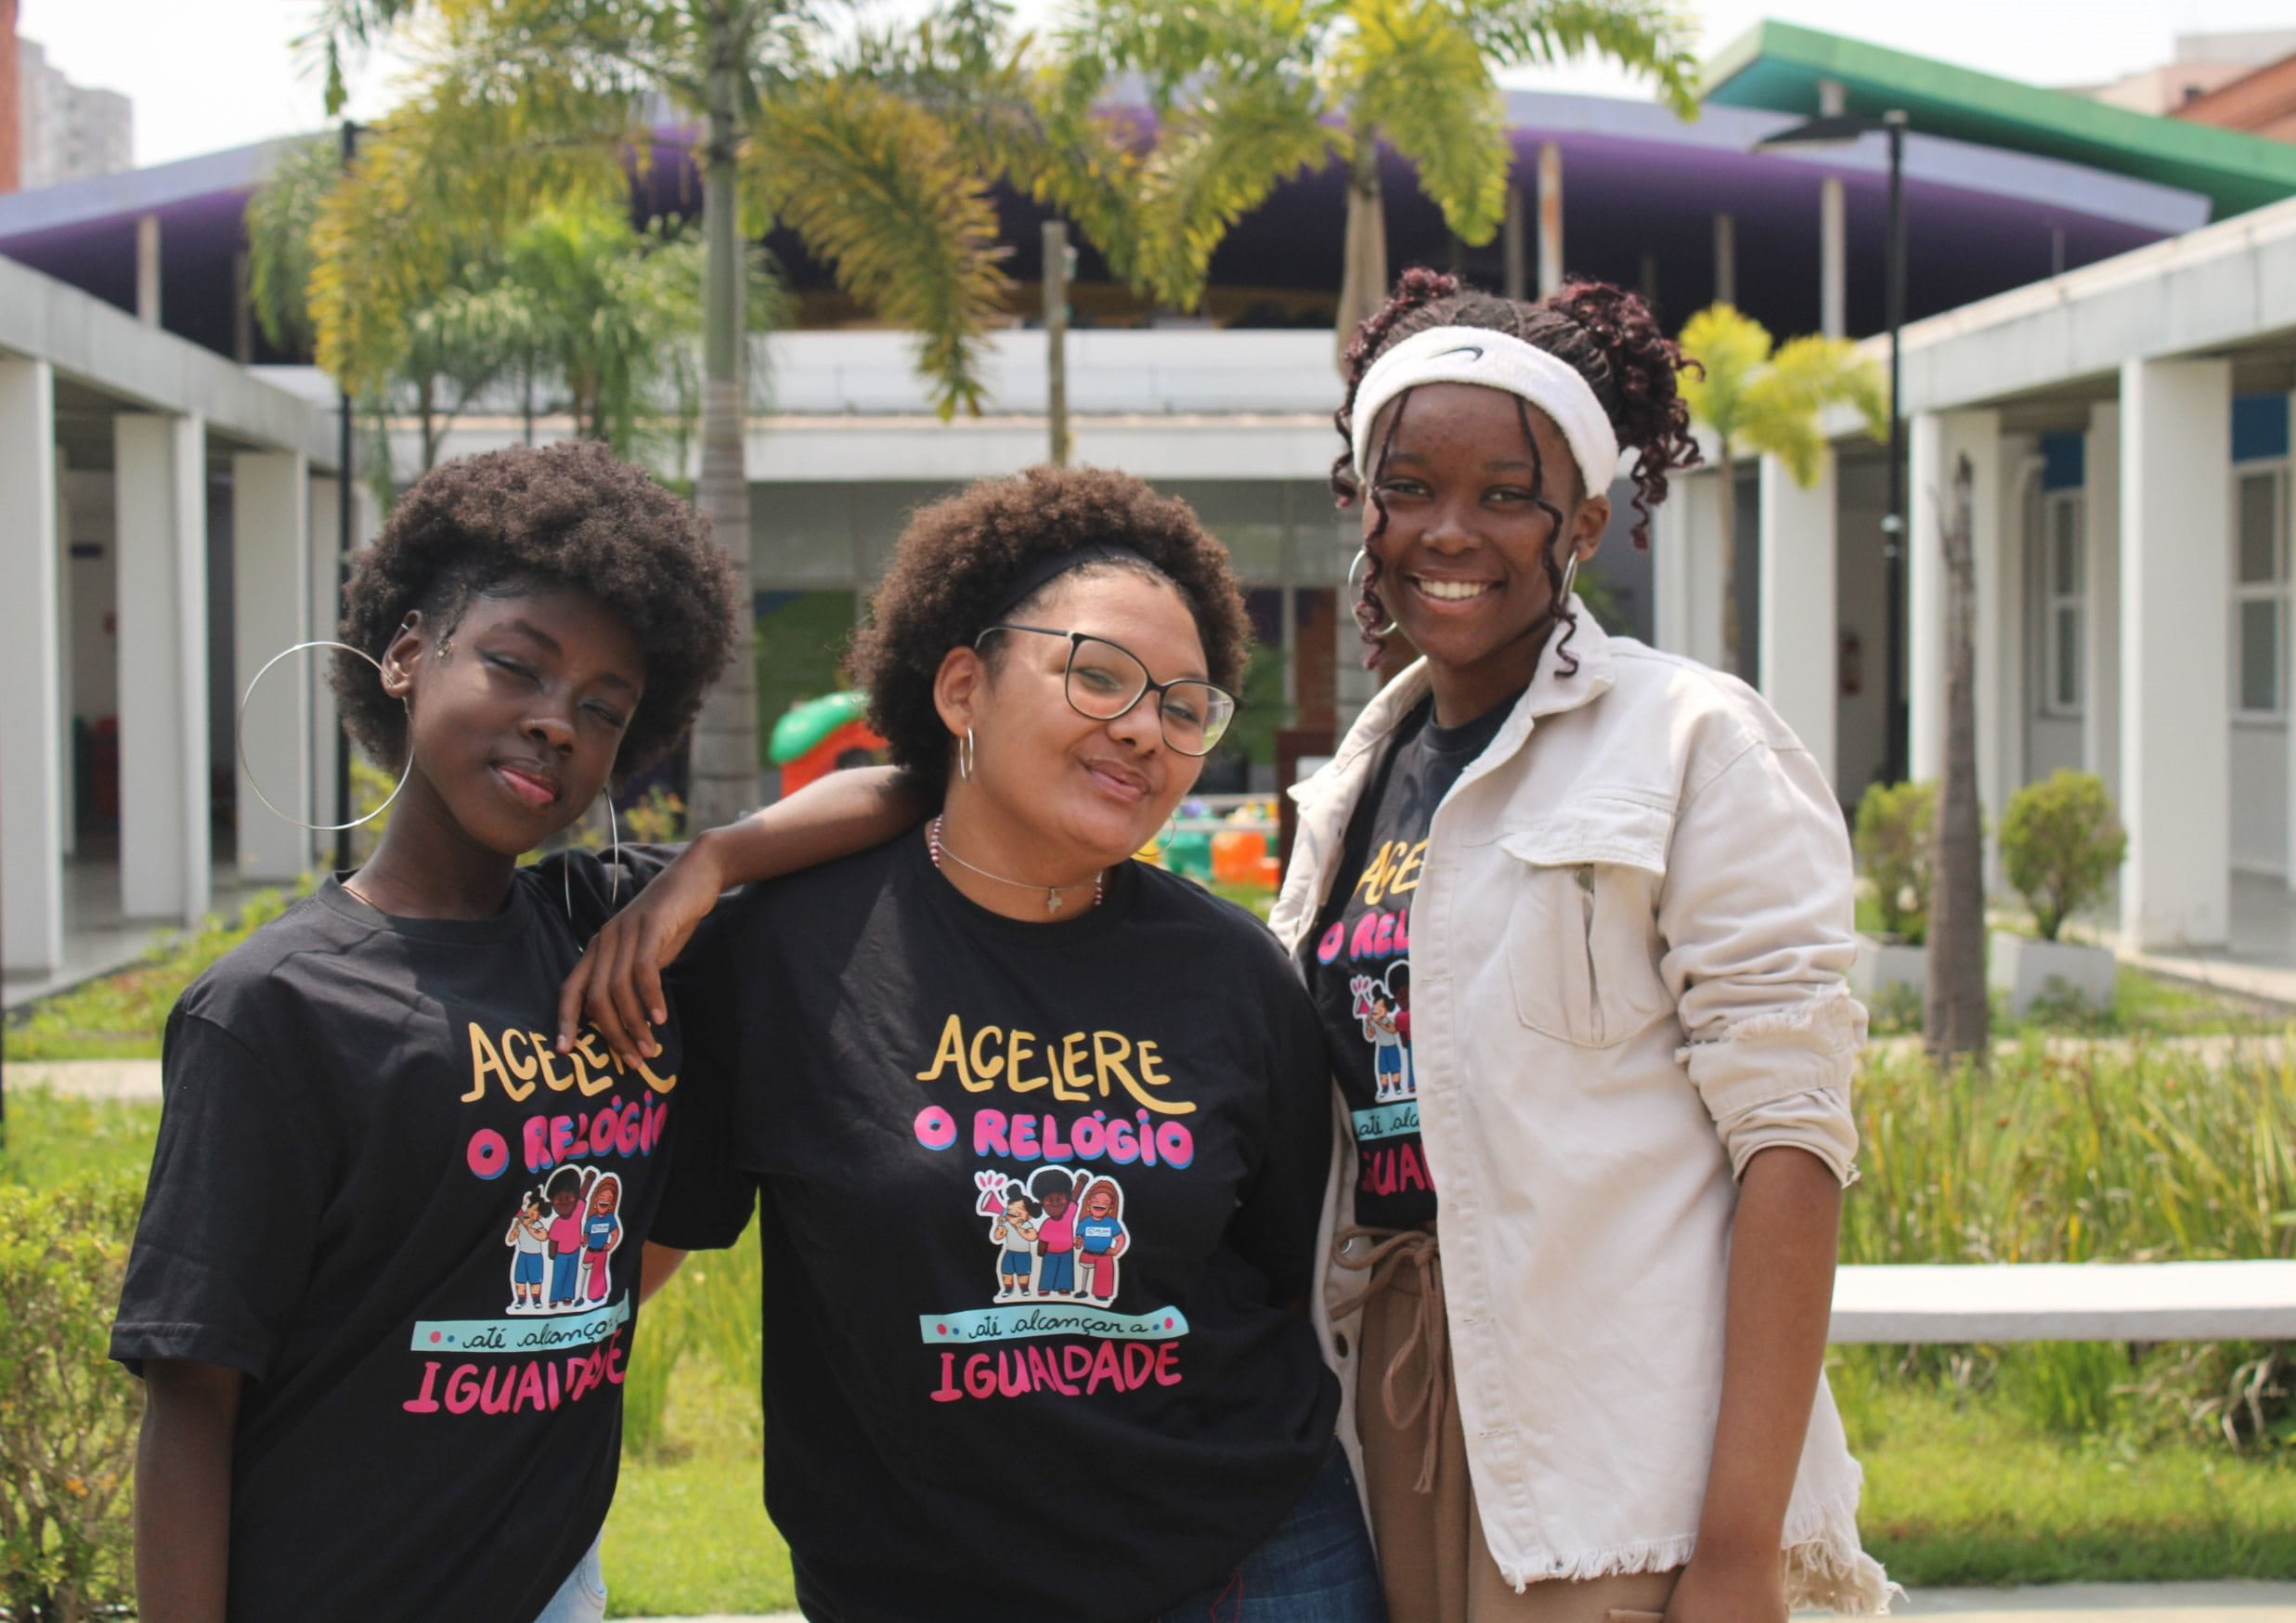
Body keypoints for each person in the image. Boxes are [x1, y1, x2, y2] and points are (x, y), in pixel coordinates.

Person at [585, 466, 1385, 1623]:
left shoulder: (1230, 972)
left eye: (1181, 705)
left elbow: (1282, 1269)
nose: (1141, 730)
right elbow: (646, 1254)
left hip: (1252, 1563)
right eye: (1096, 676)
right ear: (962, 686)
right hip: (918, 1583)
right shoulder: (786, 954)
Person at [1281, 268, 1889, 1621]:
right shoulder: (1355, 782)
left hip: (1626, 1455)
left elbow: (1791, 1145)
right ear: (1362, 503)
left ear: (1591, 521)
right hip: (1403, 1412)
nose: (1452, 530)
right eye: (1412, 485)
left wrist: (1735, 1552)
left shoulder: (1692, 744)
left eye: (1507, 493)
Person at [110, 442, 742, 1623]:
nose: (557, 722)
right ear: (407, 654)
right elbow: (192, 1395)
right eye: (517, 665)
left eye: (602, 708)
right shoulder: (275, 1006)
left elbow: (908, 799)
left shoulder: (610, 937)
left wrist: (711, 861)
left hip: (550, 1586)